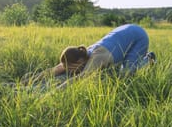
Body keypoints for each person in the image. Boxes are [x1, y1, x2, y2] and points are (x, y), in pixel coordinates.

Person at [23, 24, 155, 87]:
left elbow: (82, 78)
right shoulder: (79, 55)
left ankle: (148, 59)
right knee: (115, 70)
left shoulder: (97, 57)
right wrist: (27, 82)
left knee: (125, 74)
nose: (68, 70)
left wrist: (54, 91)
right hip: (121, 32)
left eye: (71, 68)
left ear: (80, 61)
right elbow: (55, 70)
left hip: (138, 36)